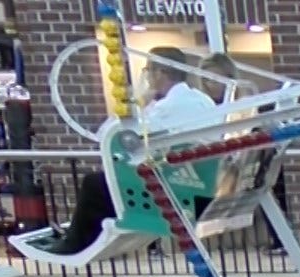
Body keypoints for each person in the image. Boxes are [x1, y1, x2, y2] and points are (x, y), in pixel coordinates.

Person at [39, 47, 219, 256]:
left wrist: (140, 100)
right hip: (198, 182)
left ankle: (74, 244)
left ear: (160, 72)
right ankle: (78, 237)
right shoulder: (200, 99)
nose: (147, 78)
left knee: (96, 184)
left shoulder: (167, 107)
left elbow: (106, 134)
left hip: (179, 188)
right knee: (108, 184)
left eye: (147, 71)